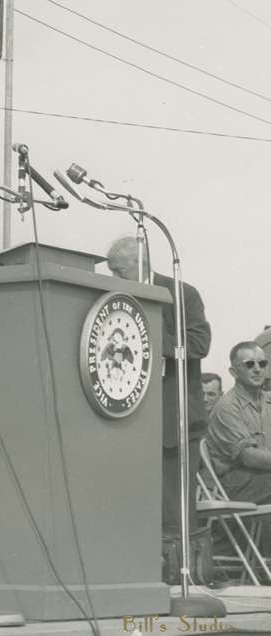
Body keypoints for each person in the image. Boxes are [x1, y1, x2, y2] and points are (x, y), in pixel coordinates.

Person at [107, 237, 211, 544]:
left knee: (174, 510)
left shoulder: (182, 294)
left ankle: (176, 572)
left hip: (174, 419)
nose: (114, 278)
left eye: (119, 271)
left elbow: (198, 345)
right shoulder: (116, 296)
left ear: (141, 265)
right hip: (130, 420)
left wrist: (147, 328)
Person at [206, 341, 271, 554]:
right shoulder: (226, 407)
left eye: (262, 363)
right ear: (233, 371)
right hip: (236, 484)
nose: (257, 369)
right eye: (249, 364)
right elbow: (249, 458)